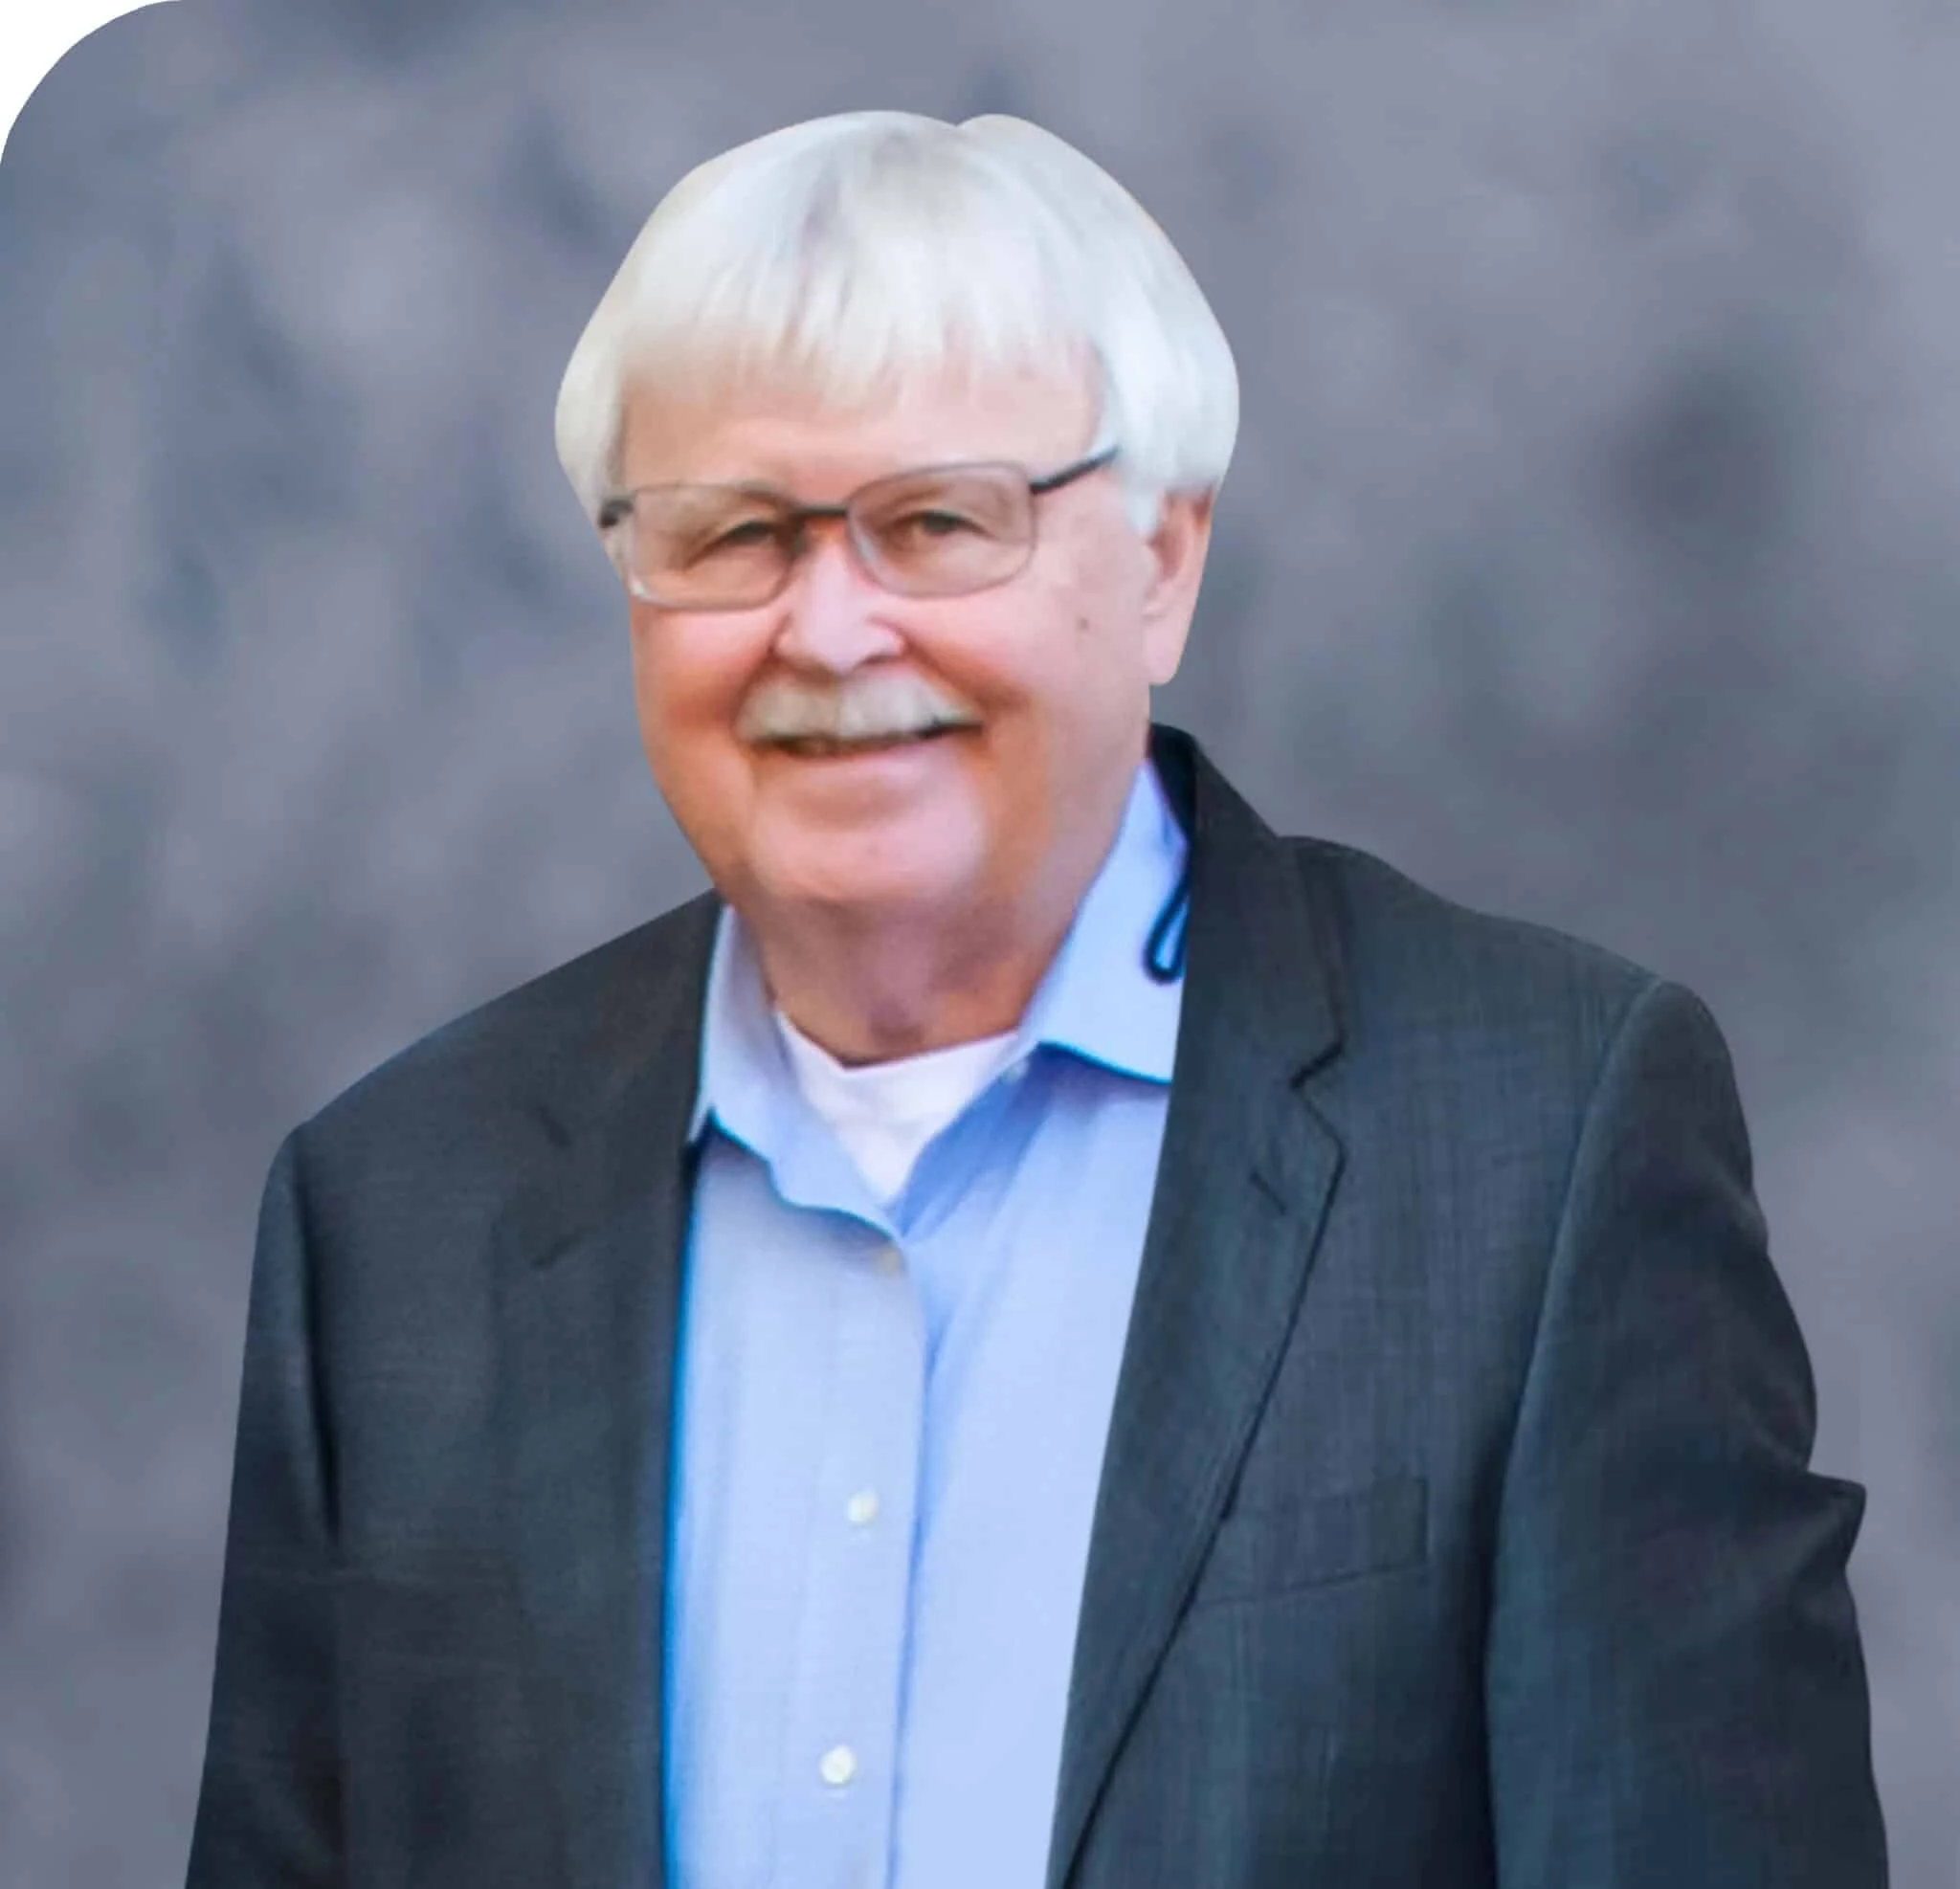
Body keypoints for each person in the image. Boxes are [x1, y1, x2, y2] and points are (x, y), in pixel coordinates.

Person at [185, 110, 1887, 1889]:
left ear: (1163, 561)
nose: (829, 631)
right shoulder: (392, 1212)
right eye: (735, 533)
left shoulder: (1541, 1152)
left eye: (936, 522)